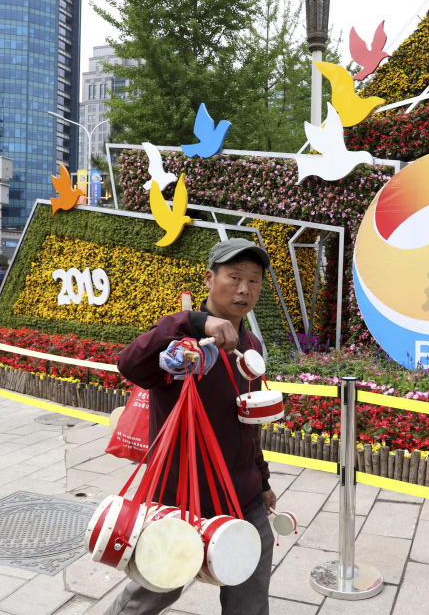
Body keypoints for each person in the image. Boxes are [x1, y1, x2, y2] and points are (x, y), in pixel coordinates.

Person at [108, 238, 275, 615]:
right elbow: (129, 363)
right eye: (234, 277)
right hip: (182, 499)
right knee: (153, 593)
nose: (245, 289)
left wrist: (261, 480)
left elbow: (249, 421)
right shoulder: (177, 341)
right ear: (209, 279)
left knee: (249, 598)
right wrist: (196, 322)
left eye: (254, 280)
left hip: (241, 499)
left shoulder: (251, 348)